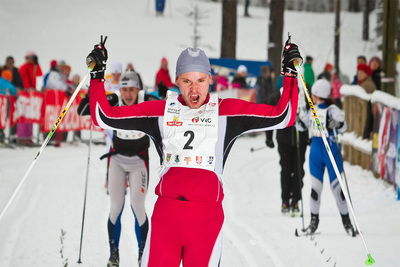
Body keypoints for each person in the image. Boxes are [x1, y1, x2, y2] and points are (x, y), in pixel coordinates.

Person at [86, 37, 300, 266]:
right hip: (166, 220)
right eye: (187, 81)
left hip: (206, 222)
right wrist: (97, 75)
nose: (194, 88)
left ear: (210, 80)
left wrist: (289, 74)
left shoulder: (226, 112)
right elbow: (105, 116)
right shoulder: (161, 111)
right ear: (176, 81)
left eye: (200, 80)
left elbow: (283, 115)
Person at [78, 71, 157, 267]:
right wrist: (91, 97)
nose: (127, 94)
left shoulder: (147, 99)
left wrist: (166, 94)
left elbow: (170, 107)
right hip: (117, 161)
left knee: (138, 207)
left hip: (139, 162)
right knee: (115, 207)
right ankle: (114, 255)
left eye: (131, 89)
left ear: (139, 89)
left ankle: (142, 253)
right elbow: (82, 111)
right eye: (124, 89)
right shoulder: (113, 100)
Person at [300, 79, 355, 236]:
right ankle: (313, 222)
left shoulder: (332, 109)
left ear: (317, 95)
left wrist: (336, 124)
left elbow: (343, 124)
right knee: (315, 190)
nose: (311, 96)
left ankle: (347, 223)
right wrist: (298, 121)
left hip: (331, 153)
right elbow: (301, 125)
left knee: (338, 190)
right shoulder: (311, 110)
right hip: (315, 153)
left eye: (313, 94)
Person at [18, 51, 43, 145]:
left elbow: (39, 75)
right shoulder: (23, 67)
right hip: (25, 93)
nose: (30, 60)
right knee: (23, 115)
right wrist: (27, 88)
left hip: (32, 94)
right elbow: (23, 78)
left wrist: (37, 64)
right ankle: (22, 137)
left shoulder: (34, 67)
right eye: (28, 58)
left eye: (32, 58)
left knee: (31, 115)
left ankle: (28, 137)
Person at [256, 65, 280, 148]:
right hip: (266, 103)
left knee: (270, 121)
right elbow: (264, 93)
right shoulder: (263, 80)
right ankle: (269, 139)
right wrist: (269, 101)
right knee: (269, 121)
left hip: (268, 102)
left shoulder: (267, 79)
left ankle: (269, 139)